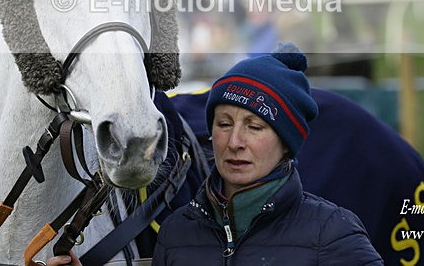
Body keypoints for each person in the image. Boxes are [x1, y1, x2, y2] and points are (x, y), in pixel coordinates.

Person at [49, 44, 383, 265]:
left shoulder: (334, 234)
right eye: (224, 123)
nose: (235, 141)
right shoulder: (177, 233)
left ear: (286, 143)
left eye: (254, 127)